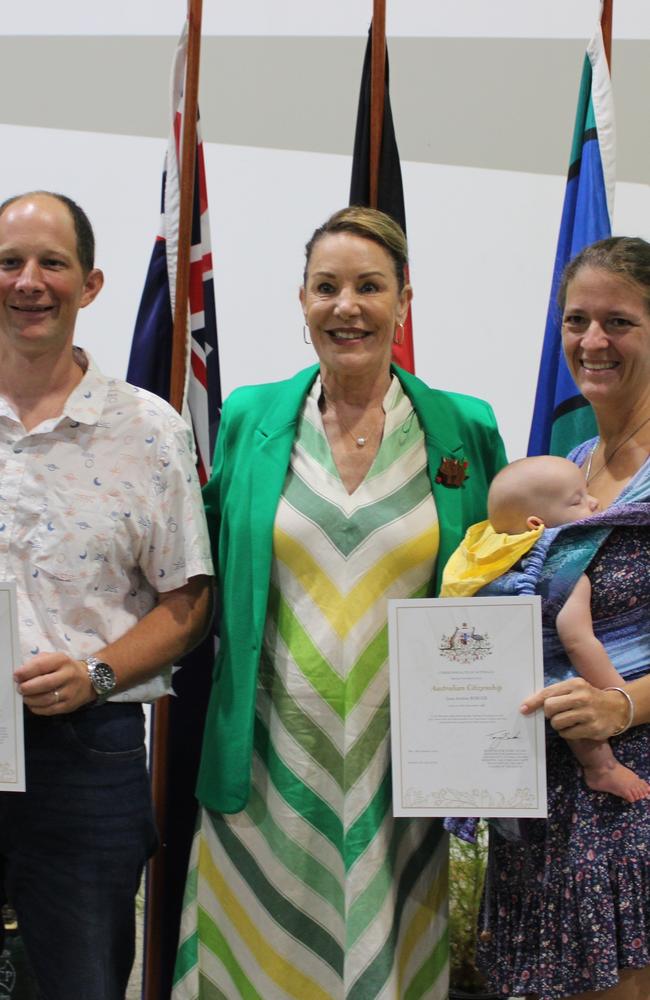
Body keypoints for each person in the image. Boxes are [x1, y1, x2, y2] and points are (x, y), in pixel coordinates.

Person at [172, 206, 507, 1000]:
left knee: (387, 965)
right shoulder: (252, 417)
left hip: (407, 767)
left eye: (369, 286)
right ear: (302, 300)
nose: (345, 306)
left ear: (404, 301)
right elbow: (206, 561)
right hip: (266, 759)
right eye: (326, 287)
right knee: (255, 965)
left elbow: (499, 578)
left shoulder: (464, 427)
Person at [0, 191, 214, 1000]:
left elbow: (187, 603)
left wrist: (95, 673)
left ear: (89, 285)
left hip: (88, 749)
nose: (29, 281)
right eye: (10, 262)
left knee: (80, 983)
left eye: (51, 263)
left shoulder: (149, 429)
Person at [477, 236, 650, 1000]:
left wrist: (620, 704)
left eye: (619, 321)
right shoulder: (563, 471)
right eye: (576, 320)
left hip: (634, 800)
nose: (592, 341)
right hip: (541, 804)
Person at [442, 454, 650, 803]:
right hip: (549, 683)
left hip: (496, 686)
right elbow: (580, 642)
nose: (594, 501)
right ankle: (602, 768)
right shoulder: (566, 572)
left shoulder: (486, 561)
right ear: (537, 522)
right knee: (566, 700)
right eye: (578, 500)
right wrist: (618, 694)